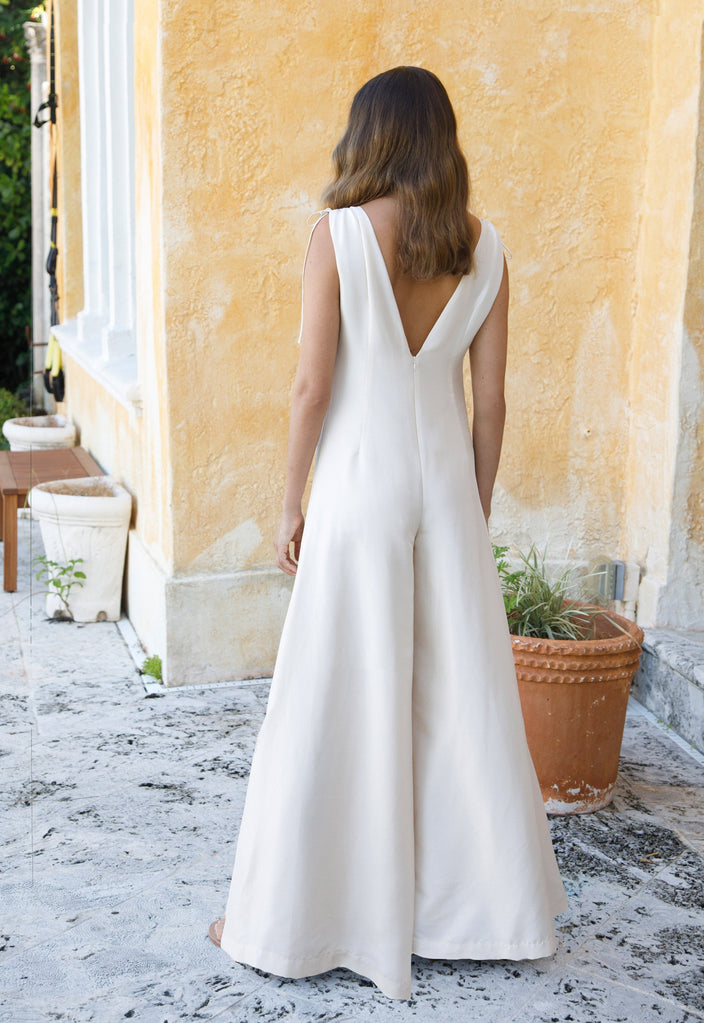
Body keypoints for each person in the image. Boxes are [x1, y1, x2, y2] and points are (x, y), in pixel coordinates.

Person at [208, 65, 568, 1001]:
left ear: (369, 137)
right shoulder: (486, 251)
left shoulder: (337, 236)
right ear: (442, 139)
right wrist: (471, 508)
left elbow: (310, 389)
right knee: (459, 701)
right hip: (445, 488)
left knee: (335, 693)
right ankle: (477, 911)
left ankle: (297, 913)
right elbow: (490, 405)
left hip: (360, 488)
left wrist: (293, 500)